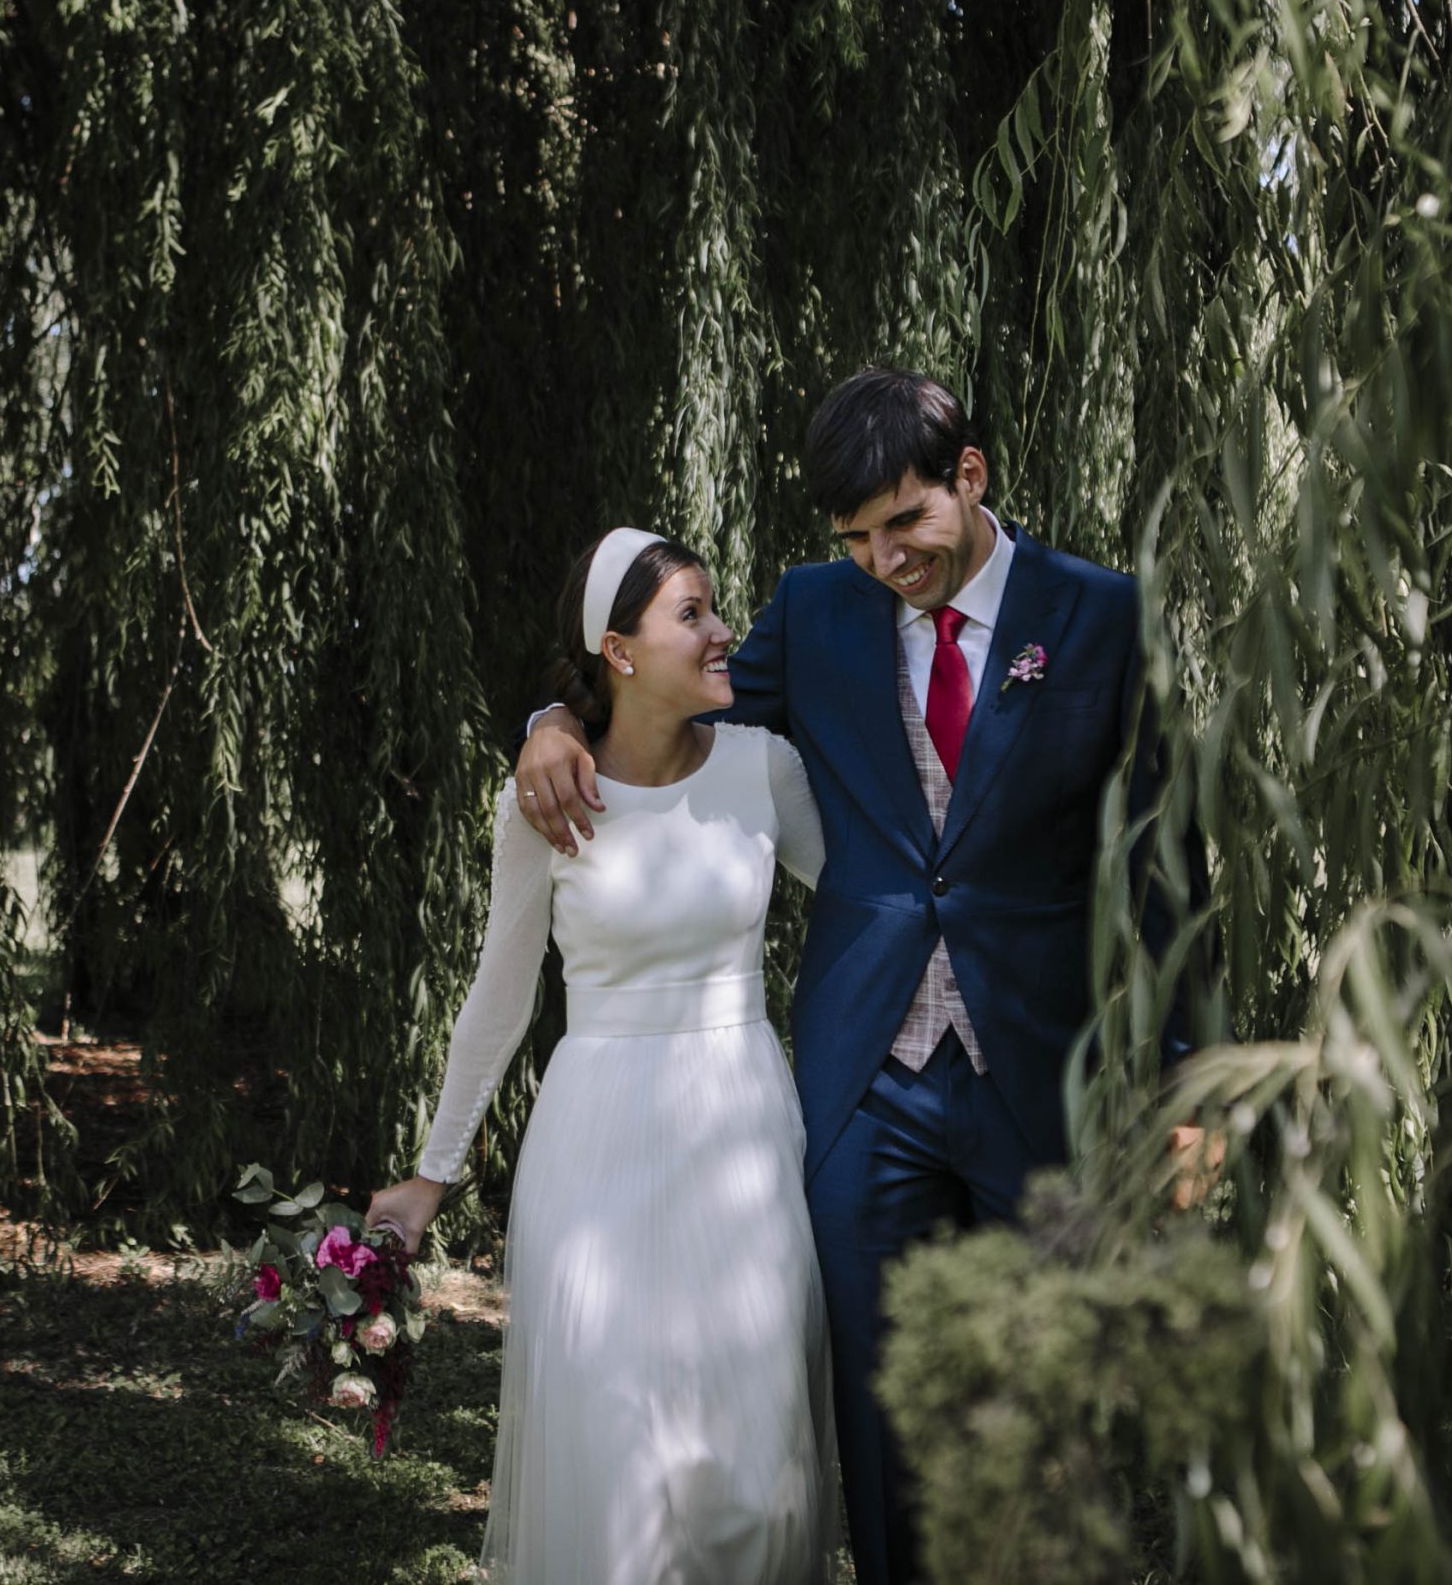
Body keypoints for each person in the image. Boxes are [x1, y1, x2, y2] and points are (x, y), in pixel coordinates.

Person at [514, 368, 1210, 1585]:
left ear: (970, 477)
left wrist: (1191, 1083)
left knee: (1046, 1415)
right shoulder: (818, 612)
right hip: (865, 1091)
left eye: (907, 523)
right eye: (856, 538)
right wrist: (551, 722)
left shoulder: (1102, 617)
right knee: (882, 1423)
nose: (886, 558)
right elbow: (662, 704)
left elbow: (1168, 870)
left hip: (1036, 1078)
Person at [368, 529, 835, 1584]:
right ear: (619, 652)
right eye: (693, 615)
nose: (724, 632)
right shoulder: (543, 799)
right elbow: (499, 994)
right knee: (620, 1470)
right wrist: (432, 1174)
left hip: (744, 1135)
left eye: (717, 608)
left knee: (758, 1480)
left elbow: (878, 904)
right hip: (596, 1152)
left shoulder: (765, 768)